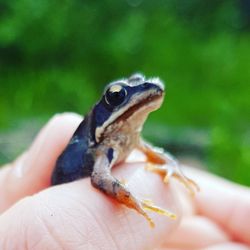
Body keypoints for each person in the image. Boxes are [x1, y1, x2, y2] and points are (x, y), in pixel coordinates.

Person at [0, 113, 249, 250]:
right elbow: (100, 176)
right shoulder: (104, 147)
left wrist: (174, 168)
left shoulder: (129, 138)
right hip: (58, 188)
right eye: (118, 95)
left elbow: (160, 156)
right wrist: (135, 201)